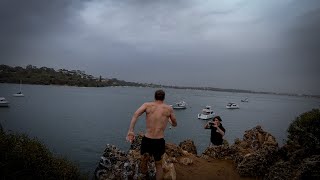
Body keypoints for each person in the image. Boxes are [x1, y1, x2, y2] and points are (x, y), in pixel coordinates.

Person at [126, 89, 177, 180]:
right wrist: (169, 120)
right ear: (164, 98)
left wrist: (131, 131)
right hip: (159, 141)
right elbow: (175, 123)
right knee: (158, 164)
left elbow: (135, 115)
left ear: (155, 97)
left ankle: (143, 176)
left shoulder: (147, 105)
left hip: (147, 139)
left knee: (144, 160)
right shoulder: (169, 109)